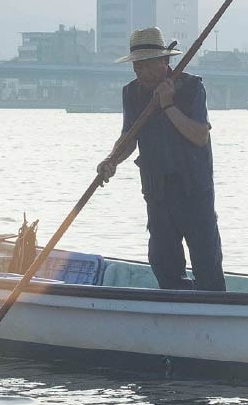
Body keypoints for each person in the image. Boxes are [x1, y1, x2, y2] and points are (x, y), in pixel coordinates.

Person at [96, 27, 224, 291]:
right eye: (137, 66)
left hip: (193, 190)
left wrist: (167, 104)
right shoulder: (132, 93)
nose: (139, 72)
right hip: (157, 191)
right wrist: (111, 161)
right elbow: (129, 138)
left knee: (206, 262)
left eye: (146, 66)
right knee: (162, 260)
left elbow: (200, 136)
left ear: (165, 62)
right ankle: (175, 309)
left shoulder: (190, 88)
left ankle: (213, 312)